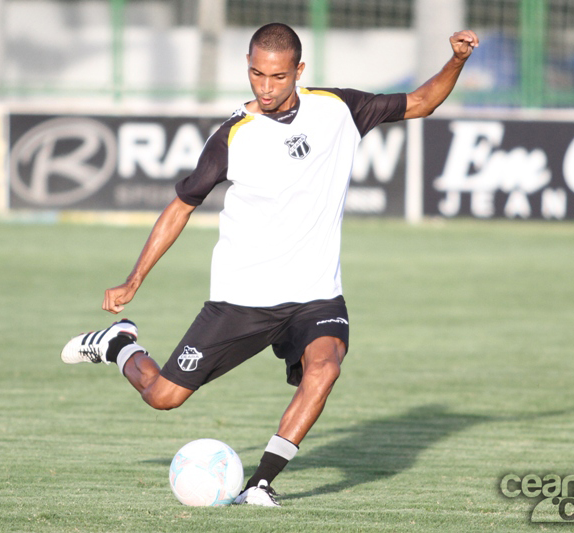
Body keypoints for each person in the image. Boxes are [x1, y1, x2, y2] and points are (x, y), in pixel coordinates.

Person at [61, 22, 478, 506]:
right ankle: (119, 346)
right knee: (162, 396)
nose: (265, 87)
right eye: (256, 74)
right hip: (242, 300)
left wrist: (457, 61)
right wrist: (134, 279)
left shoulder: (338, 108)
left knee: (325, 369)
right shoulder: (232, 137)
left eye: (277, 77)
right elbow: (181, 206)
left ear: (298, 70)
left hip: (316, 294)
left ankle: (260, 484)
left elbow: (421, 102)